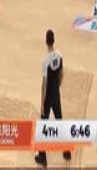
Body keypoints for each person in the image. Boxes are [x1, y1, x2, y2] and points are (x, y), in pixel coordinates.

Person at [34, 30, 71, 167]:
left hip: (48, 96)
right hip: (56, 94)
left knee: (43, 126)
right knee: (59, 121)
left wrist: (42, 103)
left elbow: (44, 83)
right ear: (53, 41)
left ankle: (42, 157)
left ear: (46, 41)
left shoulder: (46, 60)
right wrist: (58, 86)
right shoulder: (59, 55)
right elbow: (61, 73)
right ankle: (66, 150)